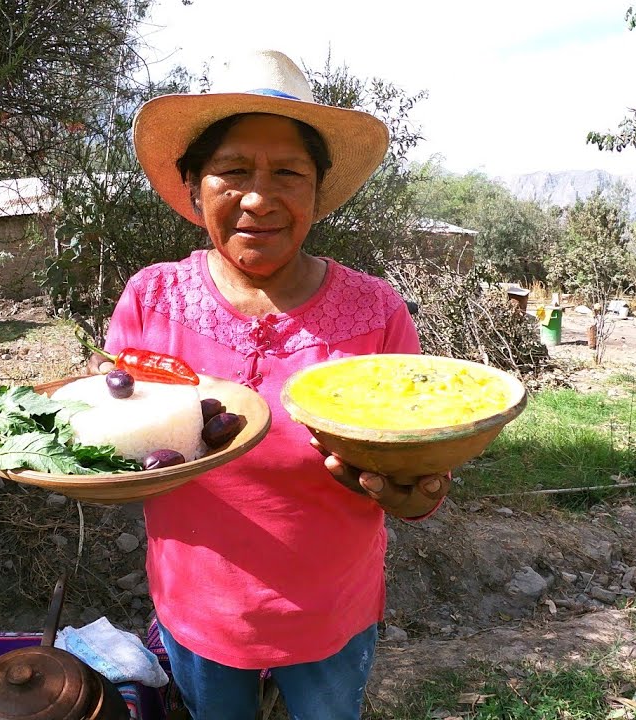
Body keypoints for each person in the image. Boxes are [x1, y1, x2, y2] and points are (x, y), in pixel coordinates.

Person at [87, 49, 450, 719]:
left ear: (317, 190)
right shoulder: (151, 301)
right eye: (232, 171)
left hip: (329, 613)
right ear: (194, 185)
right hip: (199, 612)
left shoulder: (376, 315)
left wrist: (415, 489)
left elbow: (417, 472)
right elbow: (115, 442)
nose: (259, 198)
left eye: (289, 172)